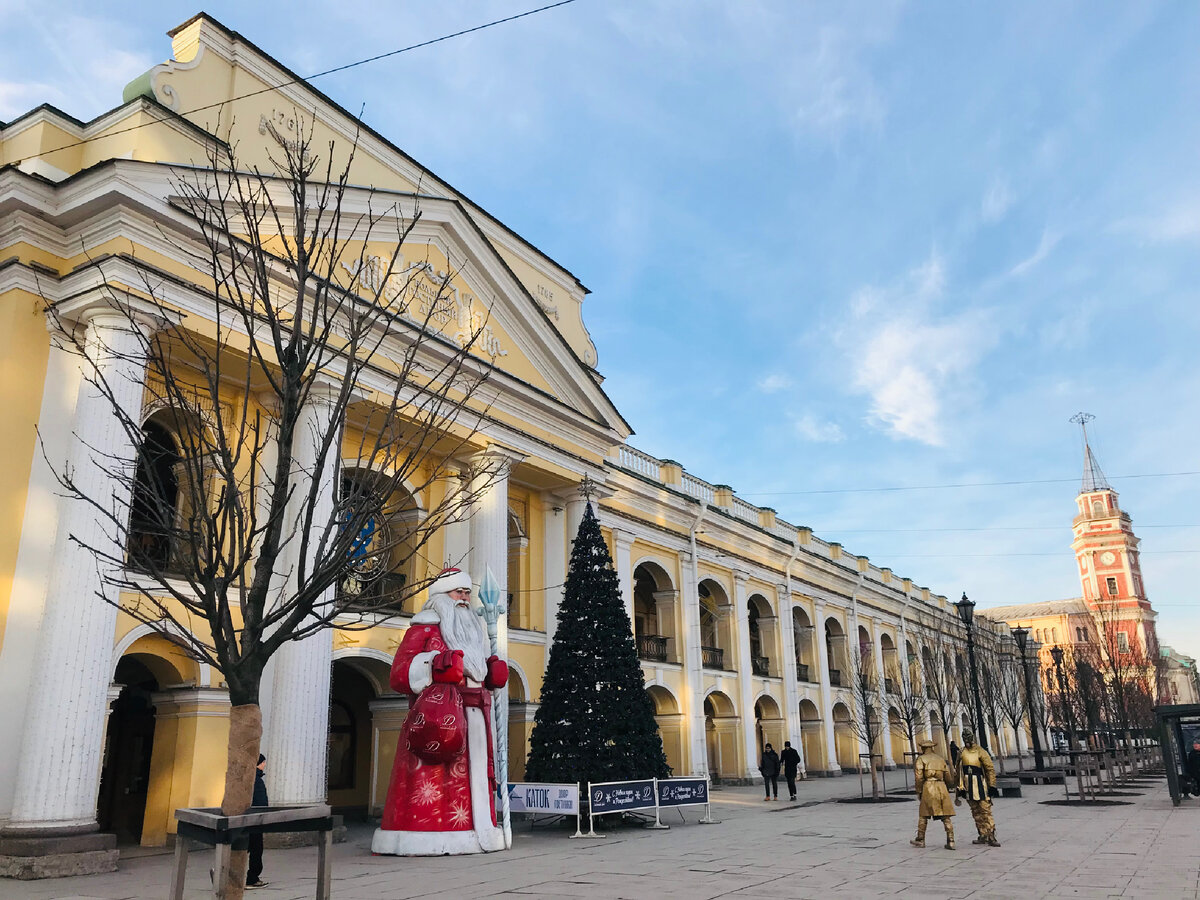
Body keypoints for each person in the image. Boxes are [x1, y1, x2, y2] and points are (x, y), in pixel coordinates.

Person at [373, 568, 509, 855]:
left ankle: (477, 830)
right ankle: (429, 835)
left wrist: (491, 675)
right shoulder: (423, 628)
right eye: (458, 592)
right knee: (435, 777)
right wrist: (433, 666)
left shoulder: (475, 631)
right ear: (440, 596)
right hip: (439, 718)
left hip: (476, 718)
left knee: (475, 778)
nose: (464, 597)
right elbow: (399, 674)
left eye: (467, 593)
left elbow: (477, 668)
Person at [956, 729, 999, 847]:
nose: (966, 740)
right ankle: (982, 833)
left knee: (985, 810)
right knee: (975, 812)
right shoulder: (961, 752)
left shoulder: (980, 751)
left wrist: (992, 785)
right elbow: (958, 770)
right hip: (968, 785)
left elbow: (989, 769)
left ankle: (991, 835)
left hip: (980, 784)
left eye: (968, 737)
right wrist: (959, 787)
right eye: (964, 738)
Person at [911, 738, 955, 850]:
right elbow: (948, 776)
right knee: (946, 816)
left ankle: (921, 839)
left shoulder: (921, 759)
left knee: (923, 815)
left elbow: (919, 778)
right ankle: (951, 840)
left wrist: (919, 791)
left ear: (923, 748)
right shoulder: (940, 759)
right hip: (941, 787)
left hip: (928, 787)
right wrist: (950, 786)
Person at [246, 754, 268, 889]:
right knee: (255, 849)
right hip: (255, 820)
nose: (264, 764)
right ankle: (252, 878)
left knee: (242, 848)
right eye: (263, 762)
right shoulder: (257, 781)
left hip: (244, 820)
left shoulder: (246, 778)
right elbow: (261, 802)